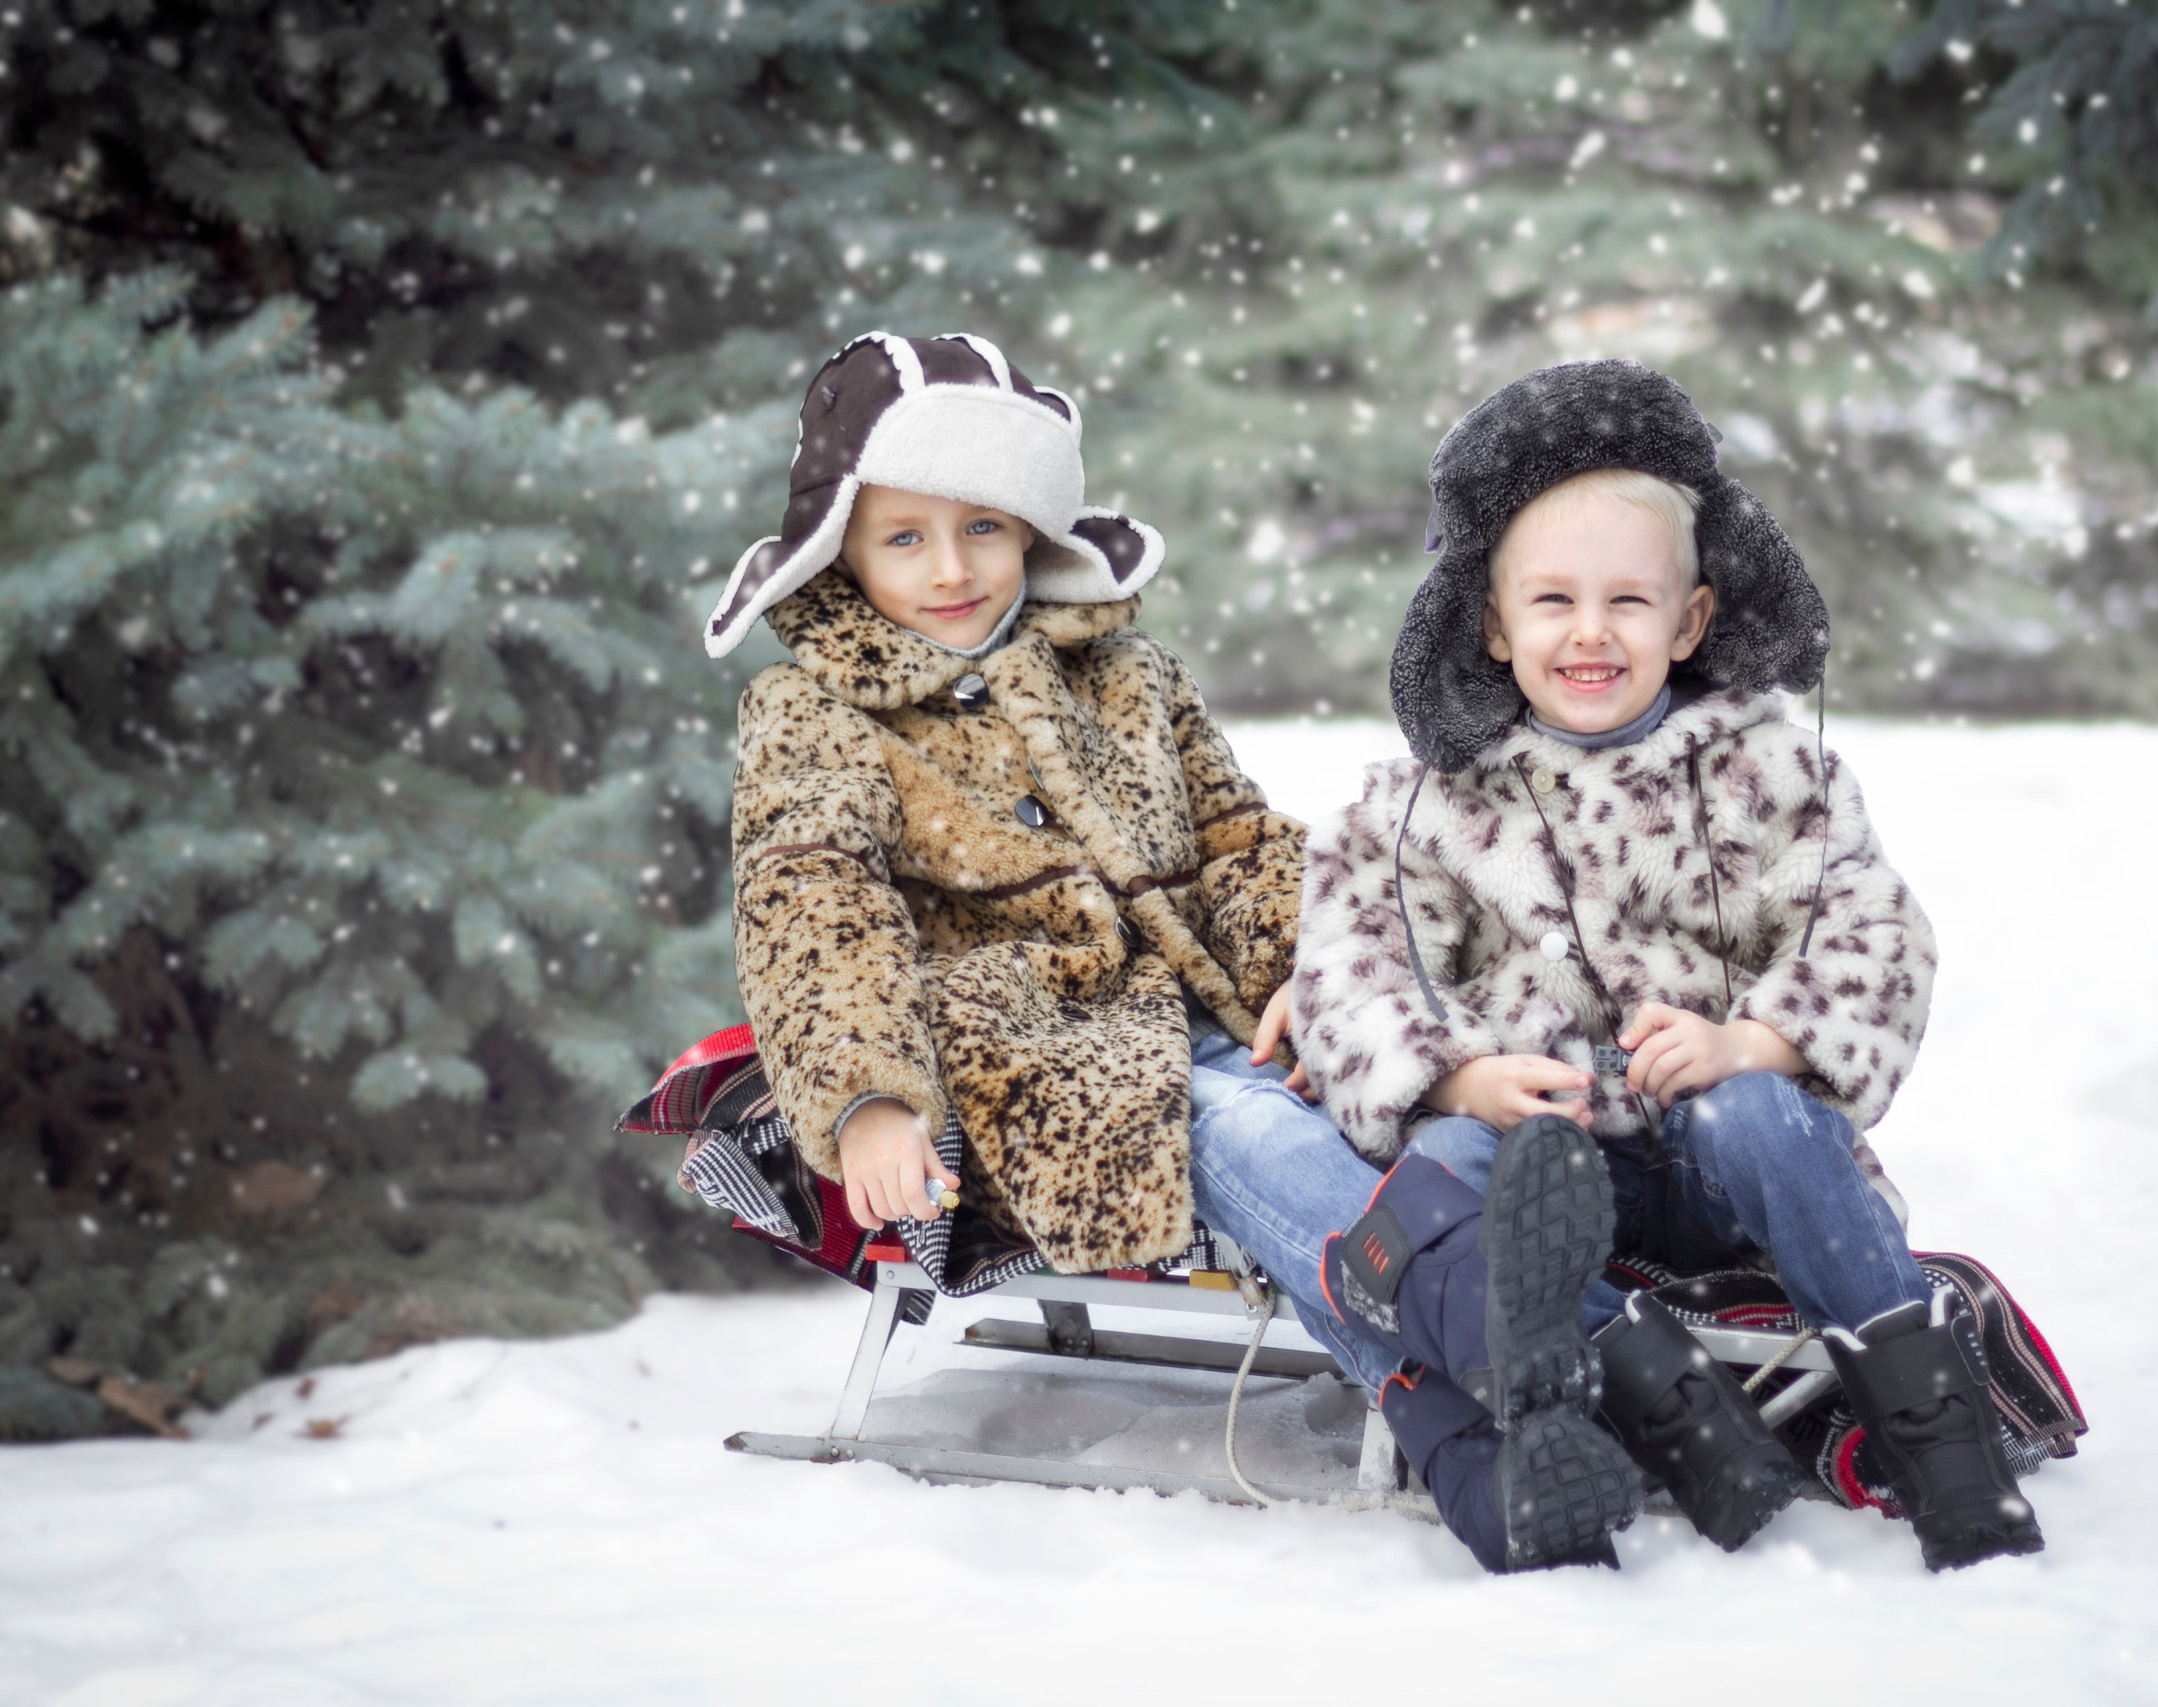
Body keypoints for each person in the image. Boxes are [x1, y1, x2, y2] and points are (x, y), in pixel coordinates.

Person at [1271, 357, 2045, 1574]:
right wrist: (1462, 1076)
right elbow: (1349, 963)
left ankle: (1937, 1434)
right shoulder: (1428, 802)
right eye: (1553, 602)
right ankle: (1657, 1404)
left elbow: (1875, 933)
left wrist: (1758, 1043)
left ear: (1689, 620)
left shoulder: (1771, 773)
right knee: (1444, 1169)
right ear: (1490, 620)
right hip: (1554, 1159)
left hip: (1708, 1159)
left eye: (1630, 603)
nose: (1590, 632)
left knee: (1759, 1119)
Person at [705, 329, 1343, 1294]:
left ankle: (1494, 1352)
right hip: (1022, 1051)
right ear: (845, 551)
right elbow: (811, 901)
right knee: (1248, 1131)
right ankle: (1486, 1320)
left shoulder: (1128, 674)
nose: (952, 571)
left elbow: (1237, 837)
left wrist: (1315, 961)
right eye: (906, 538)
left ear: (1031, 530)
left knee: (1374, 1096)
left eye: (983, 528)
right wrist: (868, 1095)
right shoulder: (815, 710)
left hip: (1207, 1013)